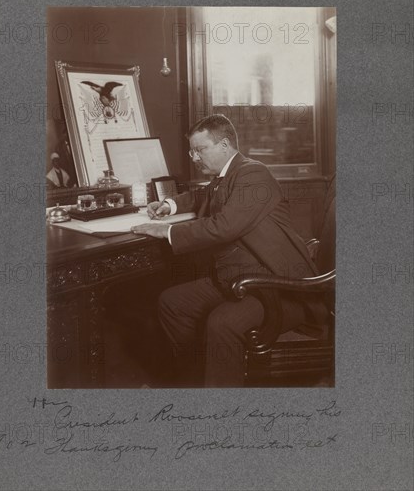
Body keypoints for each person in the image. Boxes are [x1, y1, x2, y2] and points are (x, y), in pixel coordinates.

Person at [131, 114, 326, 387]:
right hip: (242, 279)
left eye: (200, 150)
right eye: (192, 151)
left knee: (222, 322)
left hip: (282, 287)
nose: (194, 157)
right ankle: (195, 380)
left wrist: (167, 231)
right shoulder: (228, 175)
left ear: (224, 145)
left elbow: (223, 227)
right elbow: (205, 195)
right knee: (172, 303)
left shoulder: (253, 173)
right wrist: (170, 206)